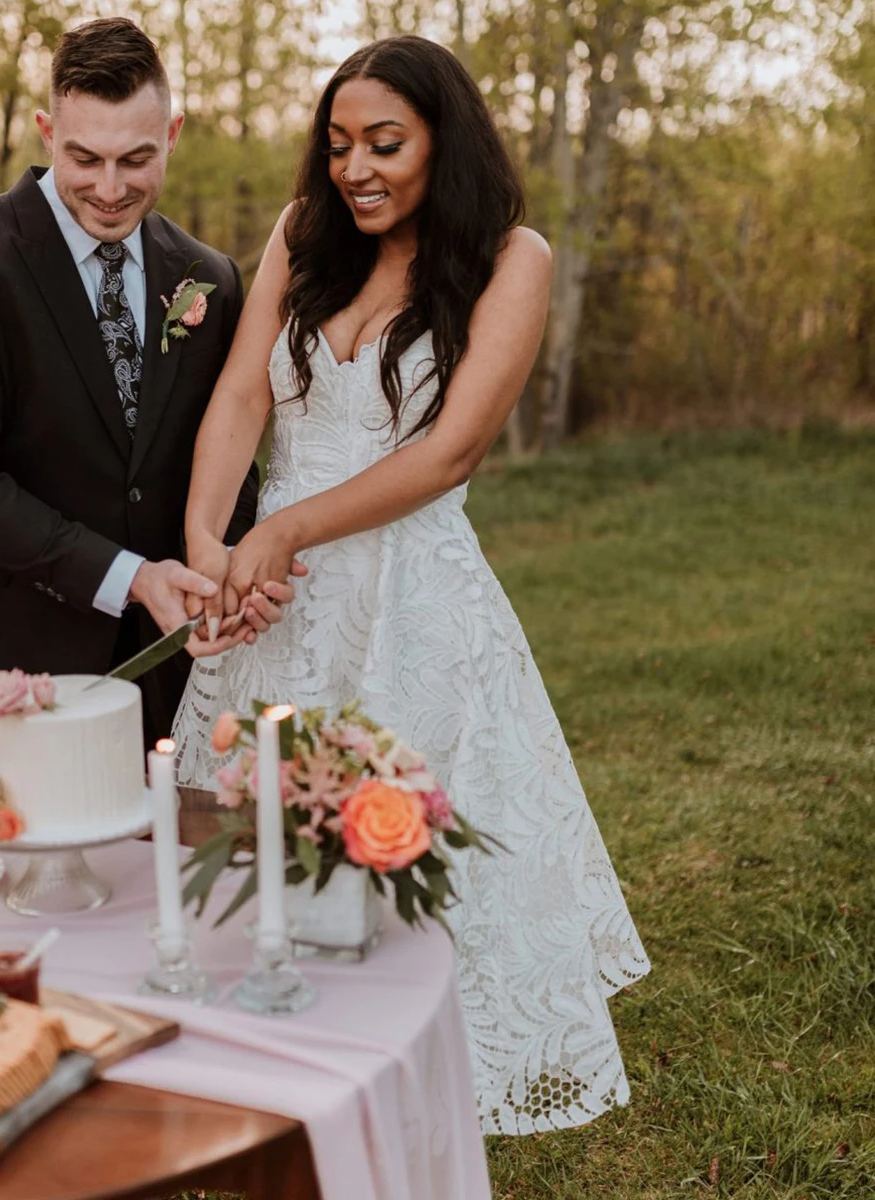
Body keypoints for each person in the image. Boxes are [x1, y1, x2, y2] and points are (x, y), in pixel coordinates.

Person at [172, 36, 651, 1134]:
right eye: (338, 145)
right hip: (272, 599)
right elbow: (243, 394)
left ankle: (418, 1054)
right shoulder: (304, 235)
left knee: (405, 829)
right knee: (251, 813)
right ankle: (268, 1039)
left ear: (446, 138)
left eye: (385, 143)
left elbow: (450, 454)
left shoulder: (509, 258)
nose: (356, 169)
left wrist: (283, 527)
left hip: (411, 591)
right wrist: (211, 546)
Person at [0, 18, 292, 782]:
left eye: (136, 159)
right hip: (4, 674)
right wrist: (134, 577)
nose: (110, 189)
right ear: (46, 130)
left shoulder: (210, 277)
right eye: (84, 158)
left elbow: (224, 460)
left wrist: (233, 574)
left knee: (165, 896)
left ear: (171, 132)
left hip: (171, 681)